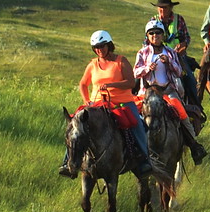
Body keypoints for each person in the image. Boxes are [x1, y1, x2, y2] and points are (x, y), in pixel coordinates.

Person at [62, 30, 173, 182]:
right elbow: (83, 84)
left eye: (102, 46)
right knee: (75, 126)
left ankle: (144, 161)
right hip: (97, 104)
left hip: (122, 102)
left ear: (109, 45)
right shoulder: (92, 64)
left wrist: (110, 85)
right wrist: (87, 101)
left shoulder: (121, 61)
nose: (99, 50)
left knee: (136, 125)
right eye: (96, 47)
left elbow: (129, 82)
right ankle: (68, 163)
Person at [135, 19, 210, 165]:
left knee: (181, 114)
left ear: (162, 35)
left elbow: (178, 72)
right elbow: (135, 72)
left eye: (158, 33)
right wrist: (146, 69)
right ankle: (134, 149)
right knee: (134, 115)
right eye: (151, 33)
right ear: (147, 36)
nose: (155, 35)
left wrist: (168, 63)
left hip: (167, 91)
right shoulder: (142, 53)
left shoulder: (170, 52)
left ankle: (194, 145)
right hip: (148, 92)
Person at [154, 0, 199, 106]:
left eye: (165, 8)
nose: (162, 11)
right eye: (160, 8)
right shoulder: (153, 21)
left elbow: (187, 37)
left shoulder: (179, 20)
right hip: (156, 57)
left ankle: (196, 107)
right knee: (137, 79)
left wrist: (184, 44)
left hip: (177, 57)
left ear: (170, 7)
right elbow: (146, 41)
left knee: (190, 79)